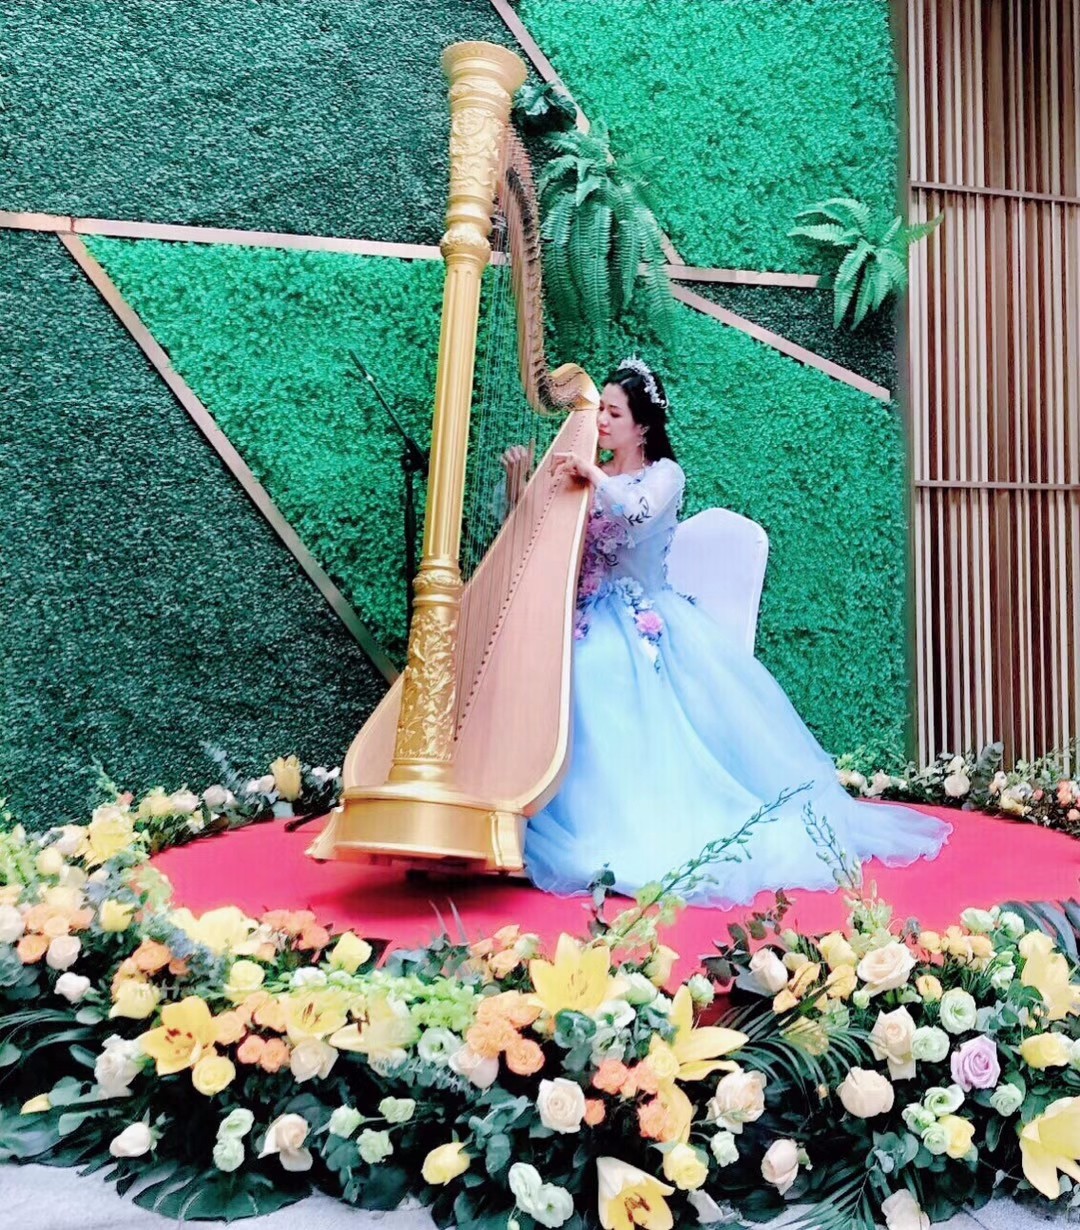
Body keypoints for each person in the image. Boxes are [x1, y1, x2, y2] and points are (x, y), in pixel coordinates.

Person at [501, 358, 950, 907]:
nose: (600, 422)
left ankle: (622, 825)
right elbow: (539, 531)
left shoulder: (663, 476)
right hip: (585, 613)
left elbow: (637, 513)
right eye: (602, 411)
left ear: (642, 426)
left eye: (613, 414)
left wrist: (593, 475)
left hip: (640, 618)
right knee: (547, 673)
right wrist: (519, 482)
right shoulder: (589, 471)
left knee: (595, 674)